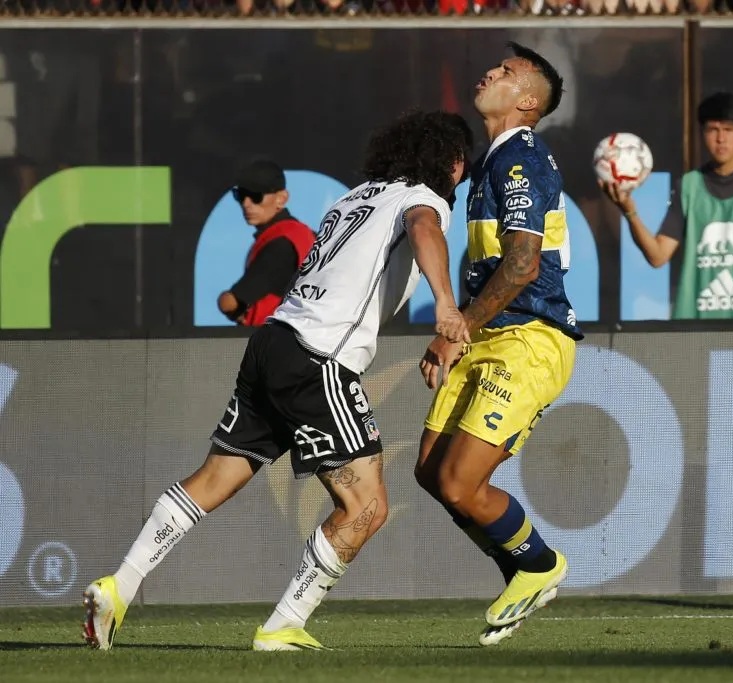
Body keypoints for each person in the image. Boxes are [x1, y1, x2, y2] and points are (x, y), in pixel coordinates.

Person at [82, 110, 474, 652]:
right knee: (367, 507)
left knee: (216, 477)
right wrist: (447, 307)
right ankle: (284, 623)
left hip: (271, 343)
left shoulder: (352, 198)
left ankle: (117, 587)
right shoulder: (425, 200)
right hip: (318, 357)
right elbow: (424, 228)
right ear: (453, 164)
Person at [414, 42, 582, 647]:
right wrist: (464, 333)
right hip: (491, 335)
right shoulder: (490, 163)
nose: (491, 72)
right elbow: (489, 265)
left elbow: (522, 267)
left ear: (528, 101)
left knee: (460, 484)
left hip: (530, 337)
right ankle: (525, 571)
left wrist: (455, 326)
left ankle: (538, 567)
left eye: (508, 73)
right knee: (432, 473)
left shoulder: (520, 162)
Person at [602, 92, 733, 319]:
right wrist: (630, 212)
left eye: (728, 129)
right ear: (703, 133)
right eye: (713, 130)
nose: (721, 139)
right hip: (696, 331)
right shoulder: (688, 186)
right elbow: (658, 256)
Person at [217, 158, 316, 327]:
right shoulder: (306, 235)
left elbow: (232, 301)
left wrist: (224, 301)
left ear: (282, 198)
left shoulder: (280, 244)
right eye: (240, 195)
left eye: (256, 196)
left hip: (275, 341)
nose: (246, 204)